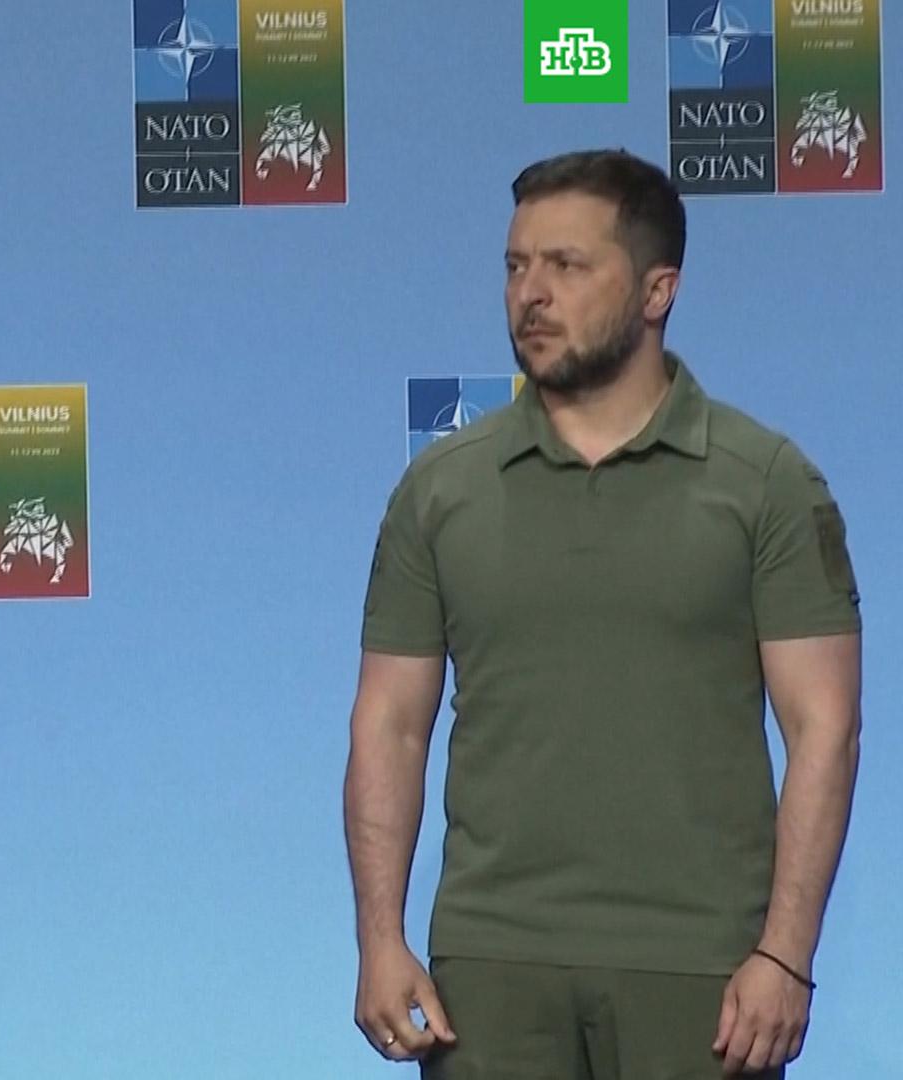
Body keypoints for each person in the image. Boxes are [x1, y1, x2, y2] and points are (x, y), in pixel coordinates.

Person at [345, 149, 861, 1079]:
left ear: (659, 290)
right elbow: (390, 723)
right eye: (516, 266)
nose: (531, 294)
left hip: (704, 975)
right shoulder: (439, 490)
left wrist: (786, 954)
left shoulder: (767, 484)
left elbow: (825, 727)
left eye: (567, 266)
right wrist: (379, 938)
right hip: (488, 975)